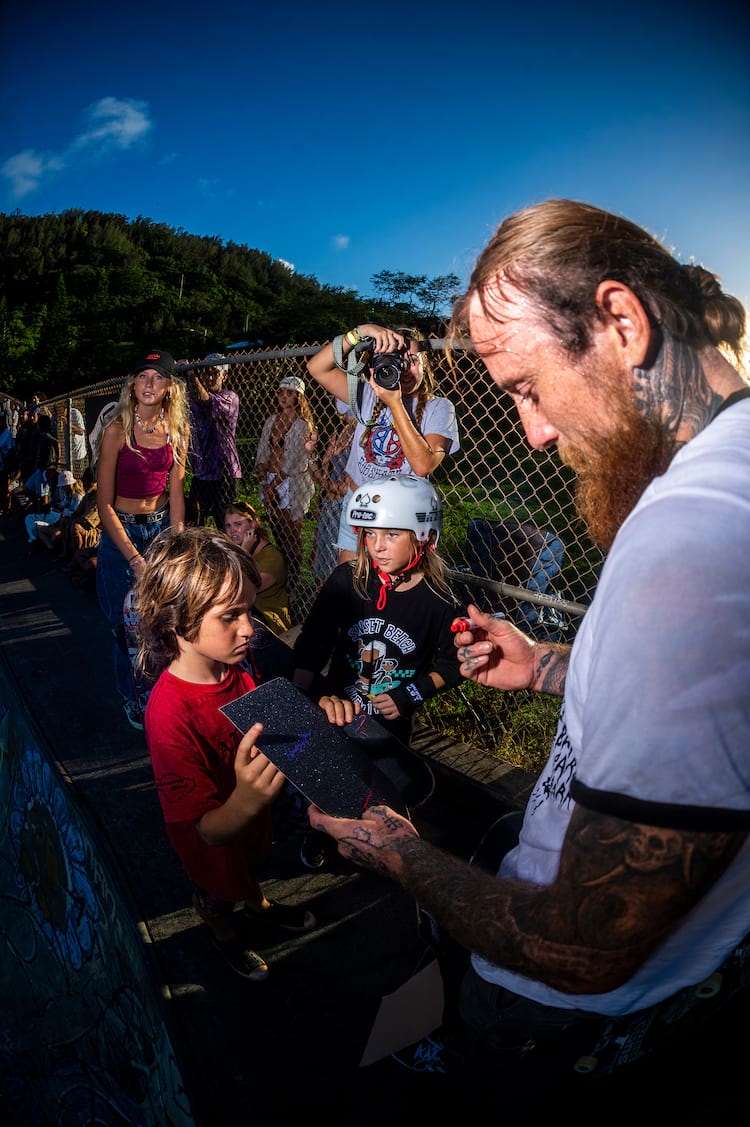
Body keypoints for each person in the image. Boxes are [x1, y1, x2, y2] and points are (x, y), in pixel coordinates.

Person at [307, 199, 750, 1087]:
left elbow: (584, 947)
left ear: (621, 322)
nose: (536, 432)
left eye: (526, 388)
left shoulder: (685, 543)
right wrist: (551, 663)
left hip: (565, 1011)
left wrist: (399, 851)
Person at [133, 525, 357, 980]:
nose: (249, 629)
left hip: (254, 823)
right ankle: (224, 933)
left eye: (249, 612)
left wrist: (313, 716)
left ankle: (257, 904)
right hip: (218, 835)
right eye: (231, 616)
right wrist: (245, 801)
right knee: (221, 888)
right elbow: (208, 833)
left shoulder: (235, 663)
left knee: (250, 871)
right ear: (178, 619)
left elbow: (262, 718)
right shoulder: (168, 714)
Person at [293, 474, 462, 869]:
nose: (377, 546)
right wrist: (301, 695)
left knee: (376, 790)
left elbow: (454, 663)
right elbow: (314, 641)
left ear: (423, 537)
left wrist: (410, 695)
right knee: (326, 778)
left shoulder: (439, 600)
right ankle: (317, 831)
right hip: (336, 707)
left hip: (390, 722)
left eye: (391, 534)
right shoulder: (347, 581)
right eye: (369, 534)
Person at [306, 324, 460, 565]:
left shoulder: (438, 407)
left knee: (395, 590)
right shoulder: (368, 393)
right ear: (377, 364)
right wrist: (362, 331)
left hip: (400, 518)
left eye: (411, 360)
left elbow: (423, 465)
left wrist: (395, 403)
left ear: (425, 362)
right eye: (396, 361)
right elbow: (317, 367)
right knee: (352, 585)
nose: (404, 369)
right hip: (358, 504)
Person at [95, 348, 190, 730]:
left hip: (160, 528)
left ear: (169, 387)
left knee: (162, 621)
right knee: (125, 626)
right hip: (122, 532)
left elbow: (178, 495)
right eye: (143, 376)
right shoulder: (117, 429)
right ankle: (130, 695)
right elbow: (103, 504)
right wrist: (135, 558)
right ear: (133, 384)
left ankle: (160, 692)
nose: (150, 383)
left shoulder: (176, 429)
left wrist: (177, 541)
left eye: (158, 377)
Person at [254, 375, 317, 590]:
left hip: (291, 482)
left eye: (289, 393)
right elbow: (263, 448)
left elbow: (296, 459)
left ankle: (294, 577)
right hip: (270, 479)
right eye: (281, 392)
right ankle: (281, 572)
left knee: (291, 532)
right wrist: (264, 476)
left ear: (299, 397)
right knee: (276, 529)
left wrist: (273, 485)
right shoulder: (272, 420)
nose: (283, 396)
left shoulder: (302, 425)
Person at [185, 353, 243, 527]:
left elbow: (206, 402)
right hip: (200, 471)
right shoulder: (193, 396)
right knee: (195, 521)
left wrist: (189, 373)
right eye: (206, 373)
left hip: (223, 472)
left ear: (224, 376)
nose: (209, 377)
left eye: (215, 373)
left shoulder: (230, 397)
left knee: (224, 523)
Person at [223, 500, 291, 637]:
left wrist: (244, 552)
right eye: (228, 526)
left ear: (252, 524)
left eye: (238, 524)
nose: (232, 530)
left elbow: (237, 591)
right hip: (244, 617)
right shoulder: (233, 549)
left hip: (268, 623)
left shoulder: (271, 558)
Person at [308, 412, 356, 588]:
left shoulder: (361, 436)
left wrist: (325, 482)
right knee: (321, 567)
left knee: (337, 566)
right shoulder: (340, 433)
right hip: (329, 505)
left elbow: (346, 488)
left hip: (345, 509)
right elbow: (321, 476)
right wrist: (311, 453)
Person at [25, 468, 82, 543]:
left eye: (63, 486)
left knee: (32, 521)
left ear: (68, 485)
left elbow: (76, 514)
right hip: (60, 516)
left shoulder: (77, 497)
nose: (62, 488)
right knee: (30, 519)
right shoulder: (66, 494)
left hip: (65, 519)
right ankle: (35, 537)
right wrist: (55, 505)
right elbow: (61, 504)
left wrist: (62, 510)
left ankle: (37, 538)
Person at [57, 402, 88, 477]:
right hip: (66, 456)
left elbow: (81, 432)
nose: (60, 413)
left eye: (61, 411)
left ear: (65, 409)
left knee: (78, 480)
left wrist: (68, 424)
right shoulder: (58, 417)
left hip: (77, 455)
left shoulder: (75, 413)